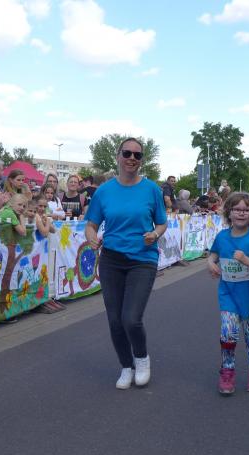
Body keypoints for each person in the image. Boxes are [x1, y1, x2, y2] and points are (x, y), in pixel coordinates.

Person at [84, 137, 167, 390]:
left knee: (131, 318)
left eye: (137, 155)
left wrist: (155, 234)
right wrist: (91, 237)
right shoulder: (104, 191)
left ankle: (141, 359)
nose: (132, 158)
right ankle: (126, 366)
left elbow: (162, 222)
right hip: (111, 260)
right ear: (118, 156)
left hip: (142, 259)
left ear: (141, 161)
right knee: (115, 320)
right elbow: (91, 224)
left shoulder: (152, 189)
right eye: (127, 153)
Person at [206, 192, 249, 395]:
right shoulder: (222, 236)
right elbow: (214, 253)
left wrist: (246, 260)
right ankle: (227, 371)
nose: (241, 213)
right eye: (237, 209)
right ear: (229, 213)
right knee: (228, 334)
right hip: (228, 294)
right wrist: (210, 263)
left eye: (246, 210)